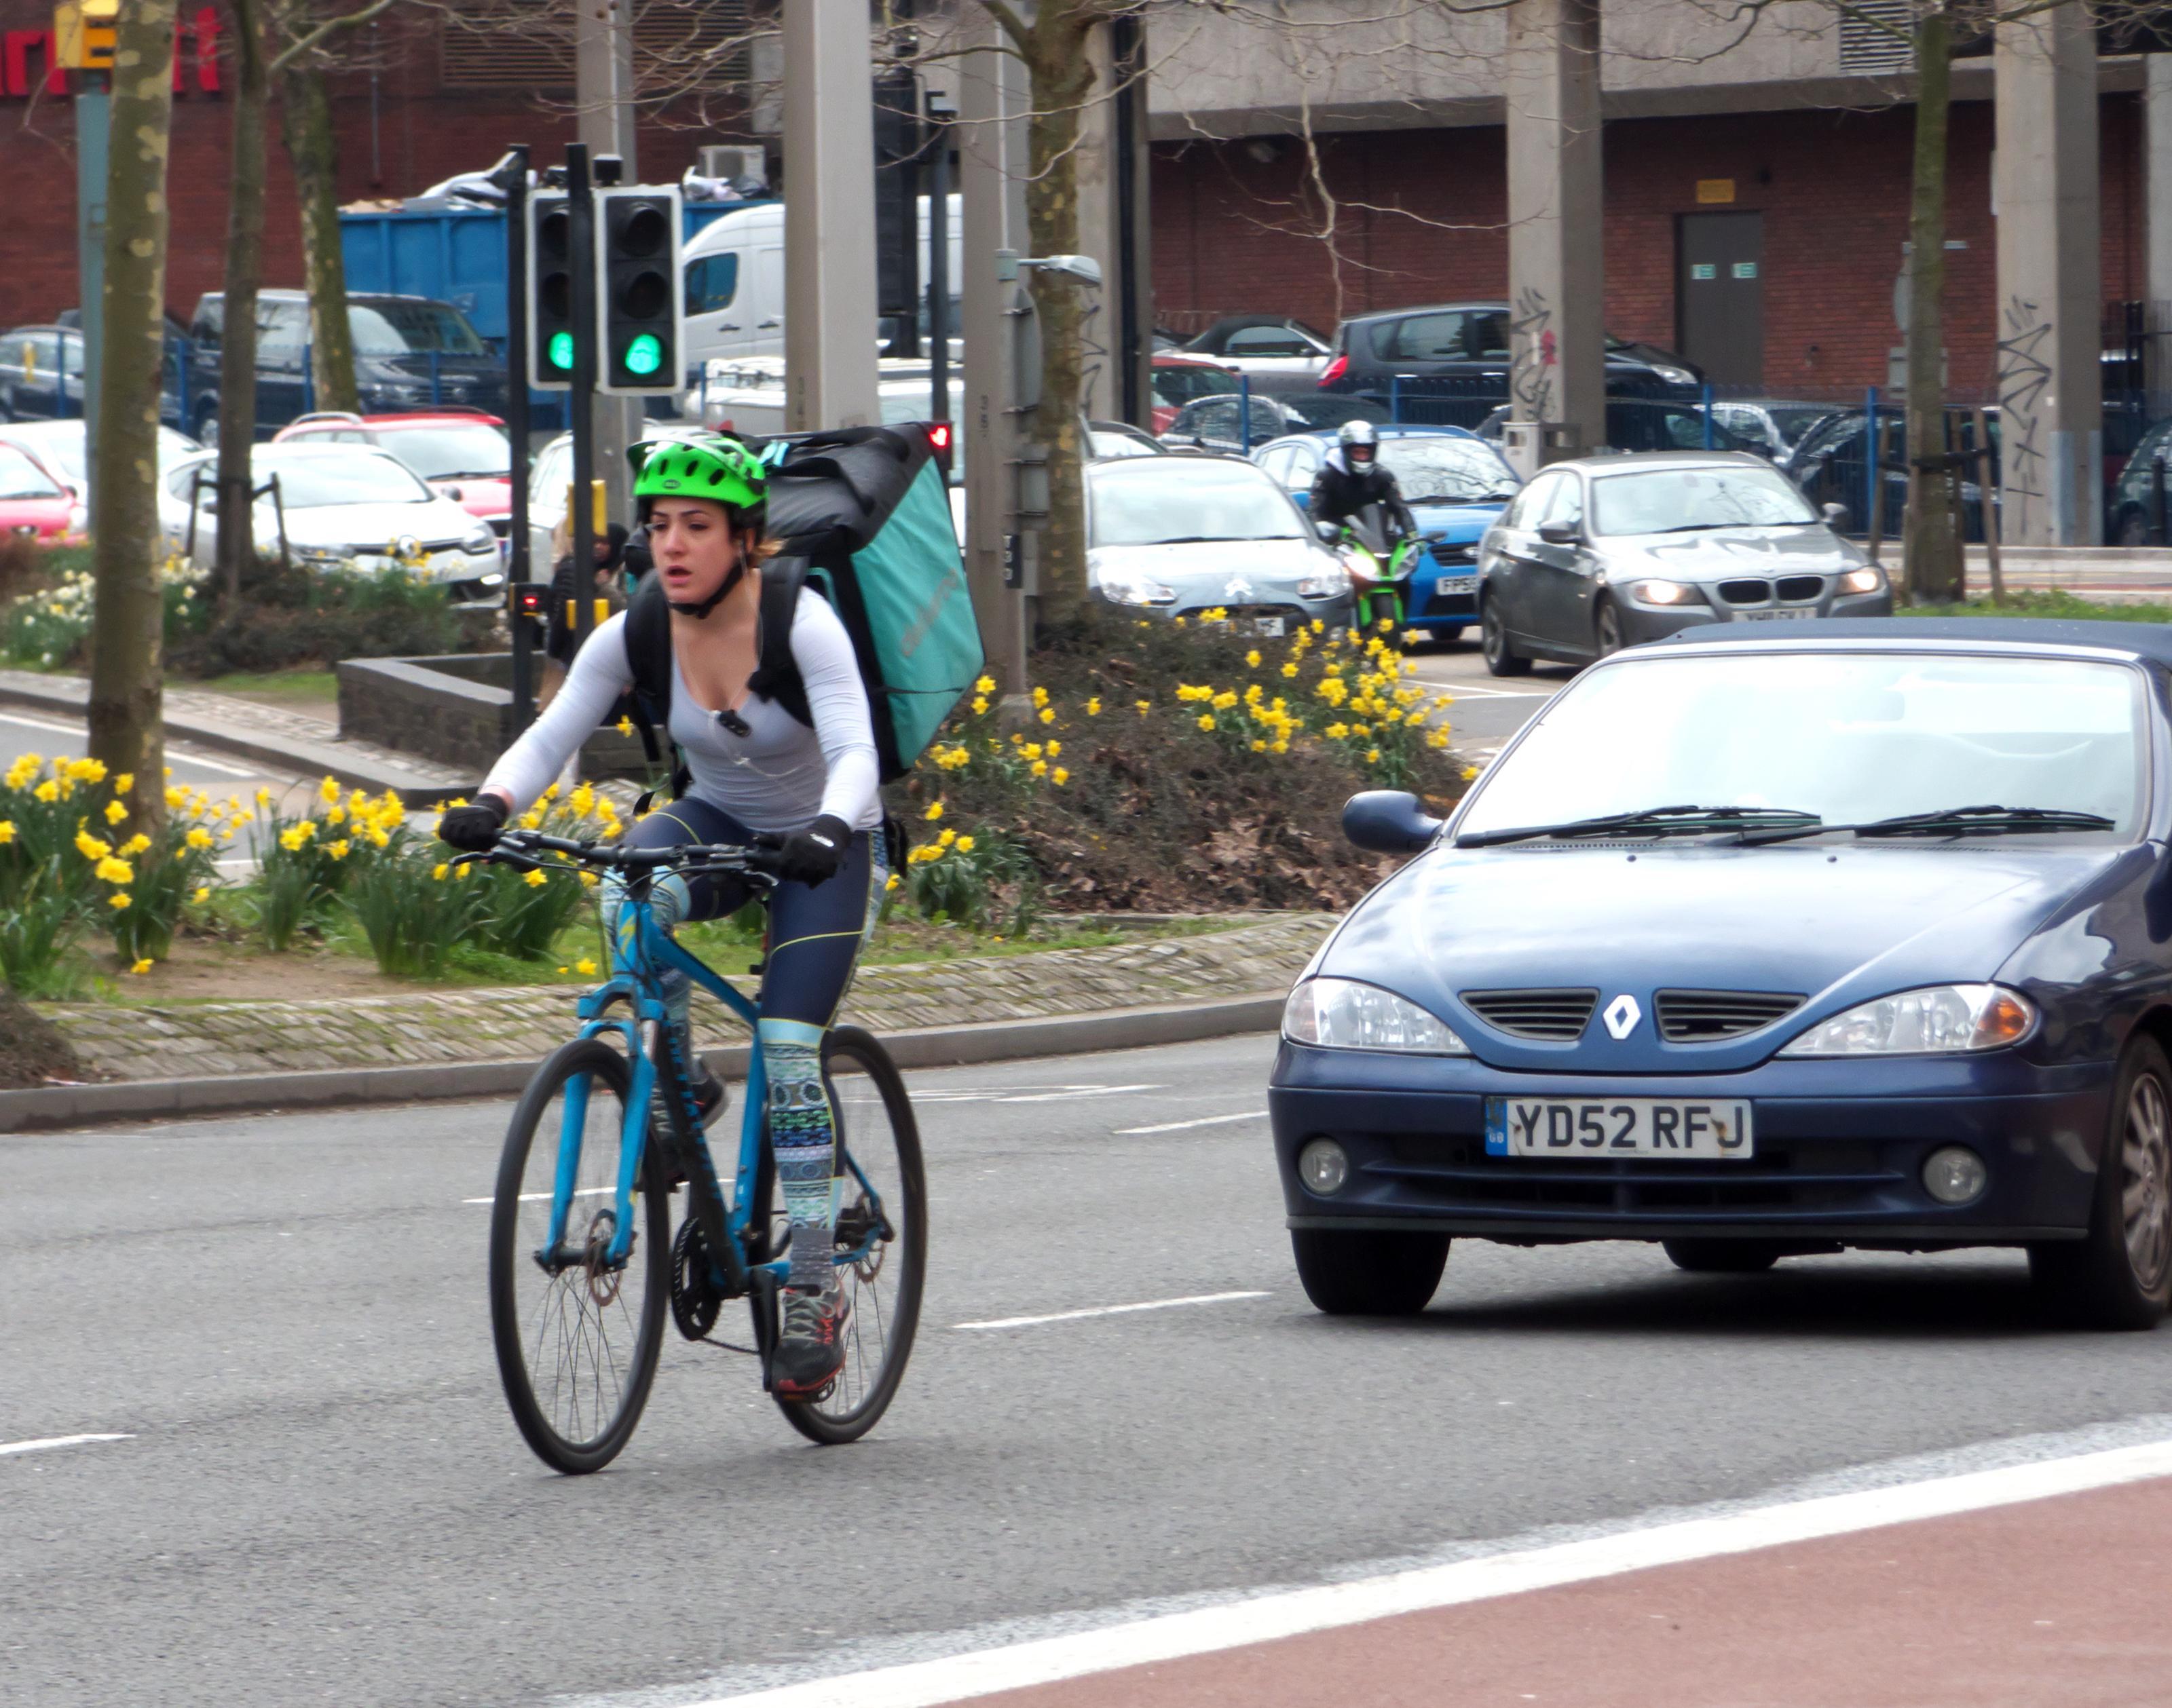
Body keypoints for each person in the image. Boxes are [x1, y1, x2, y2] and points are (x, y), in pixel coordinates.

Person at [438, 433, 888, 1399]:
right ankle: (679, 1085)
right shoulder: (637, 628)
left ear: (747, 540)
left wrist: (825, 828)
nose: (672, 544)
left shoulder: (801, 625)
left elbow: (856, 751)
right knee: (625, 883)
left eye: (696, 526)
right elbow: (555, 730)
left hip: (824, 842)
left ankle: (812, 1278)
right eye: (659, 526)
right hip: (720, 821)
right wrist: (491, 805)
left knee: (789, 1043)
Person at [1308, 419, 1417, 543]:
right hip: (1338, 542)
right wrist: (1322, 536)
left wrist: (1413, 536)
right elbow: (1316, 513)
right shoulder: (1327, 476)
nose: (1362, 457)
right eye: (1357, 452)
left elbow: (1400, 508)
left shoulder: (1382, 476)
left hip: (1374, 542)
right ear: (1345, 451)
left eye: (1365, 453)